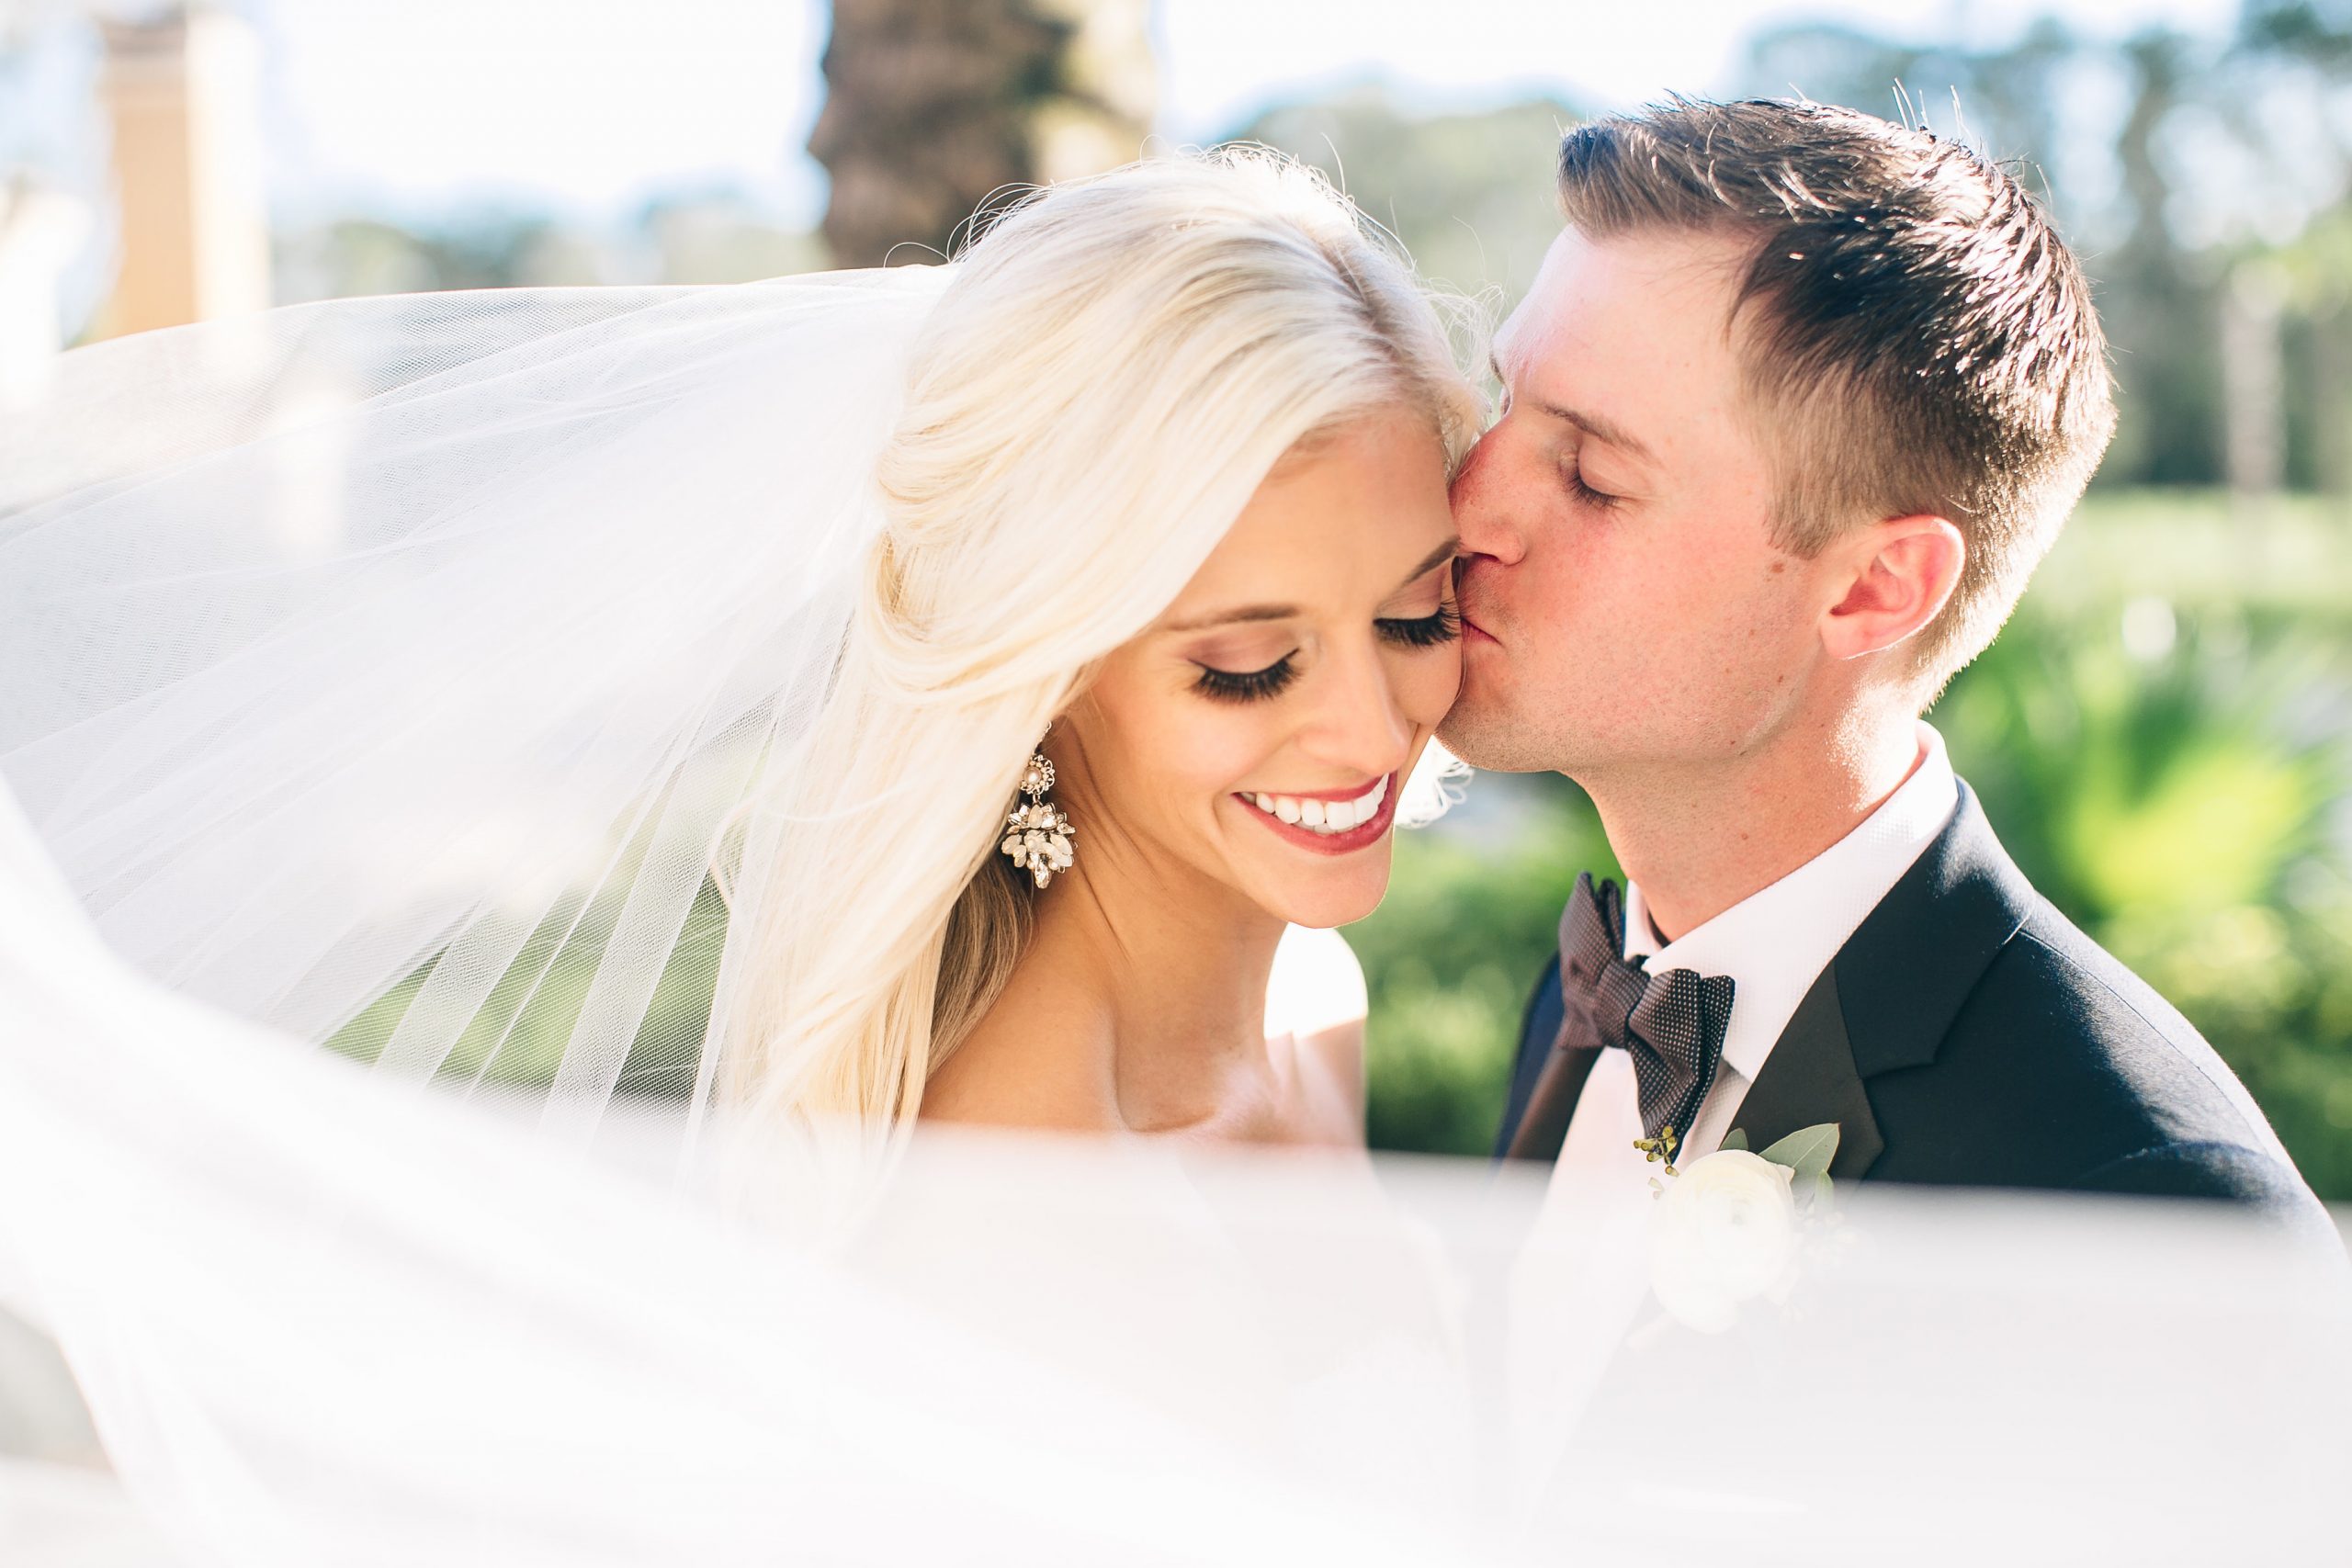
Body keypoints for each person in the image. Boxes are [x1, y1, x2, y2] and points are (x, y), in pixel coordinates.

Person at [0, 149, 1480, 1188]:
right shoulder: (1024, 1201)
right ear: (1043, 664)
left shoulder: (1313, 995)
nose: (1370, 725)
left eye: (1414, 618)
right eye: (1247, 665)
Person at [1452, 97, 2325, 1225]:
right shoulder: (1597, 989)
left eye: (1591, 478)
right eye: (1499, 402)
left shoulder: (2149, 1204)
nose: (1468, 504)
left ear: (1875, 587)